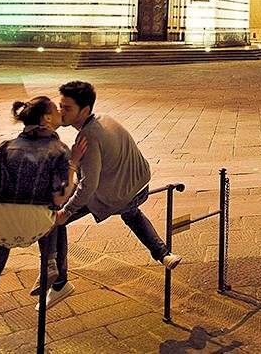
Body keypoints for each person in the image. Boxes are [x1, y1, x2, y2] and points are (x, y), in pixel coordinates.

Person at [41, 80, 180, 307]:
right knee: (132, 213)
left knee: (51, 220)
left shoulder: (86, 138)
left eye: (67, 108)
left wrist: (66, 211)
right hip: (139, 187)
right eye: (60, 106)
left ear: (84, 110)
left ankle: (59, 282)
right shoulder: (105, 118)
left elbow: (88, 186)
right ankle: (163, 253)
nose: (61, 112)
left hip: (116, 196)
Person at [0, 97, 85, 350]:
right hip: (36, 226)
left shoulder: (5, 147)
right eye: (55, 110)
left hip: (0, 226)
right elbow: (59, 197)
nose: (60, 112)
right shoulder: (60, 150)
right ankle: (50, 262)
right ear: (46, 119)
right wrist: (73, 164)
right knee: (56, 217)